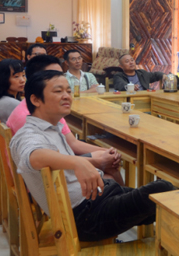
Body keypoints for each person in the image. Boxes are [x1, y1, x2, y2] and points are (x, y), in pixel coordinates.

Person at [9, 70, 175, 242]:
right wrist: (78, 163)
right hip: (86, 216)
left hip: (98, 199)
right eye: (58, 91)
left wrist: (86, 163)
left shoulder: (53, 127)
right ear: (36, 100)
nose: (67, 96)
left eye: (68, 91)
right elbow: (33, 156)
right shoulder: (28, 134)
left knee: (168, 202)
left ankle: (177, 249)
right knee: (163, 190)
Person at [7, 55, 124, 185]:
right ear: (37, 80)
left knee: (108, 160)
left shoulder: (49, 113)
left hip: (58, 173)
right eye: (52, 75)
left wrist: (106, 153)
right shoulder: (28, 118)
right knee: (108, 165)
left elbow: (72, 143)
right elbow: (34, 156)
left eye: (68, 91)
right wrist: (90, 161)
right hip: (47, 182)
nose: (59, 78)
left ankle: (120, 193)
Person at [0, 58, 25, 124]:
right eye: (16, 76)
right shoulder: (11, 103)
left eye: (23, 75)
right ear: (3, 79)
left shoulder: (3, 99)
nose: (22, 80)